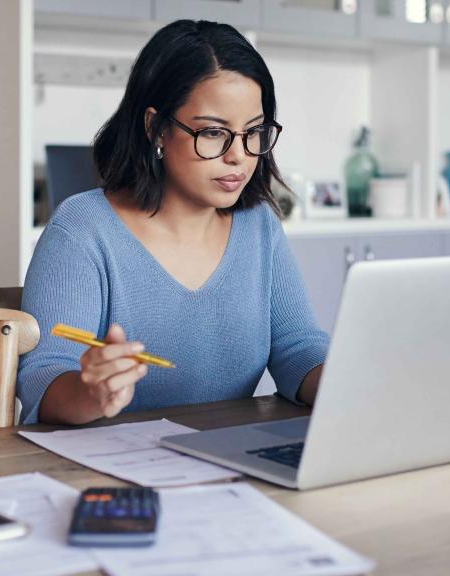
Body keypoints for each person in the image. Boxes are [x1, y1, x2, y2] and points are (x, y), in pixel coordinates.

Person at [18, 20, 328, 425]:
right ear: (156, 128)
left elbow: (297, 348)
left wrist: (352, 384)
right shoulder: (84, 229)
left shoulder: (259, 226)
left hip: (224, 462)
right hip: (106, 473)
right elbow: (44, 378)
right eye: (214, 132)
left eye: (254, 132)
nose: (239, 156)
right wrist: (90, 392)